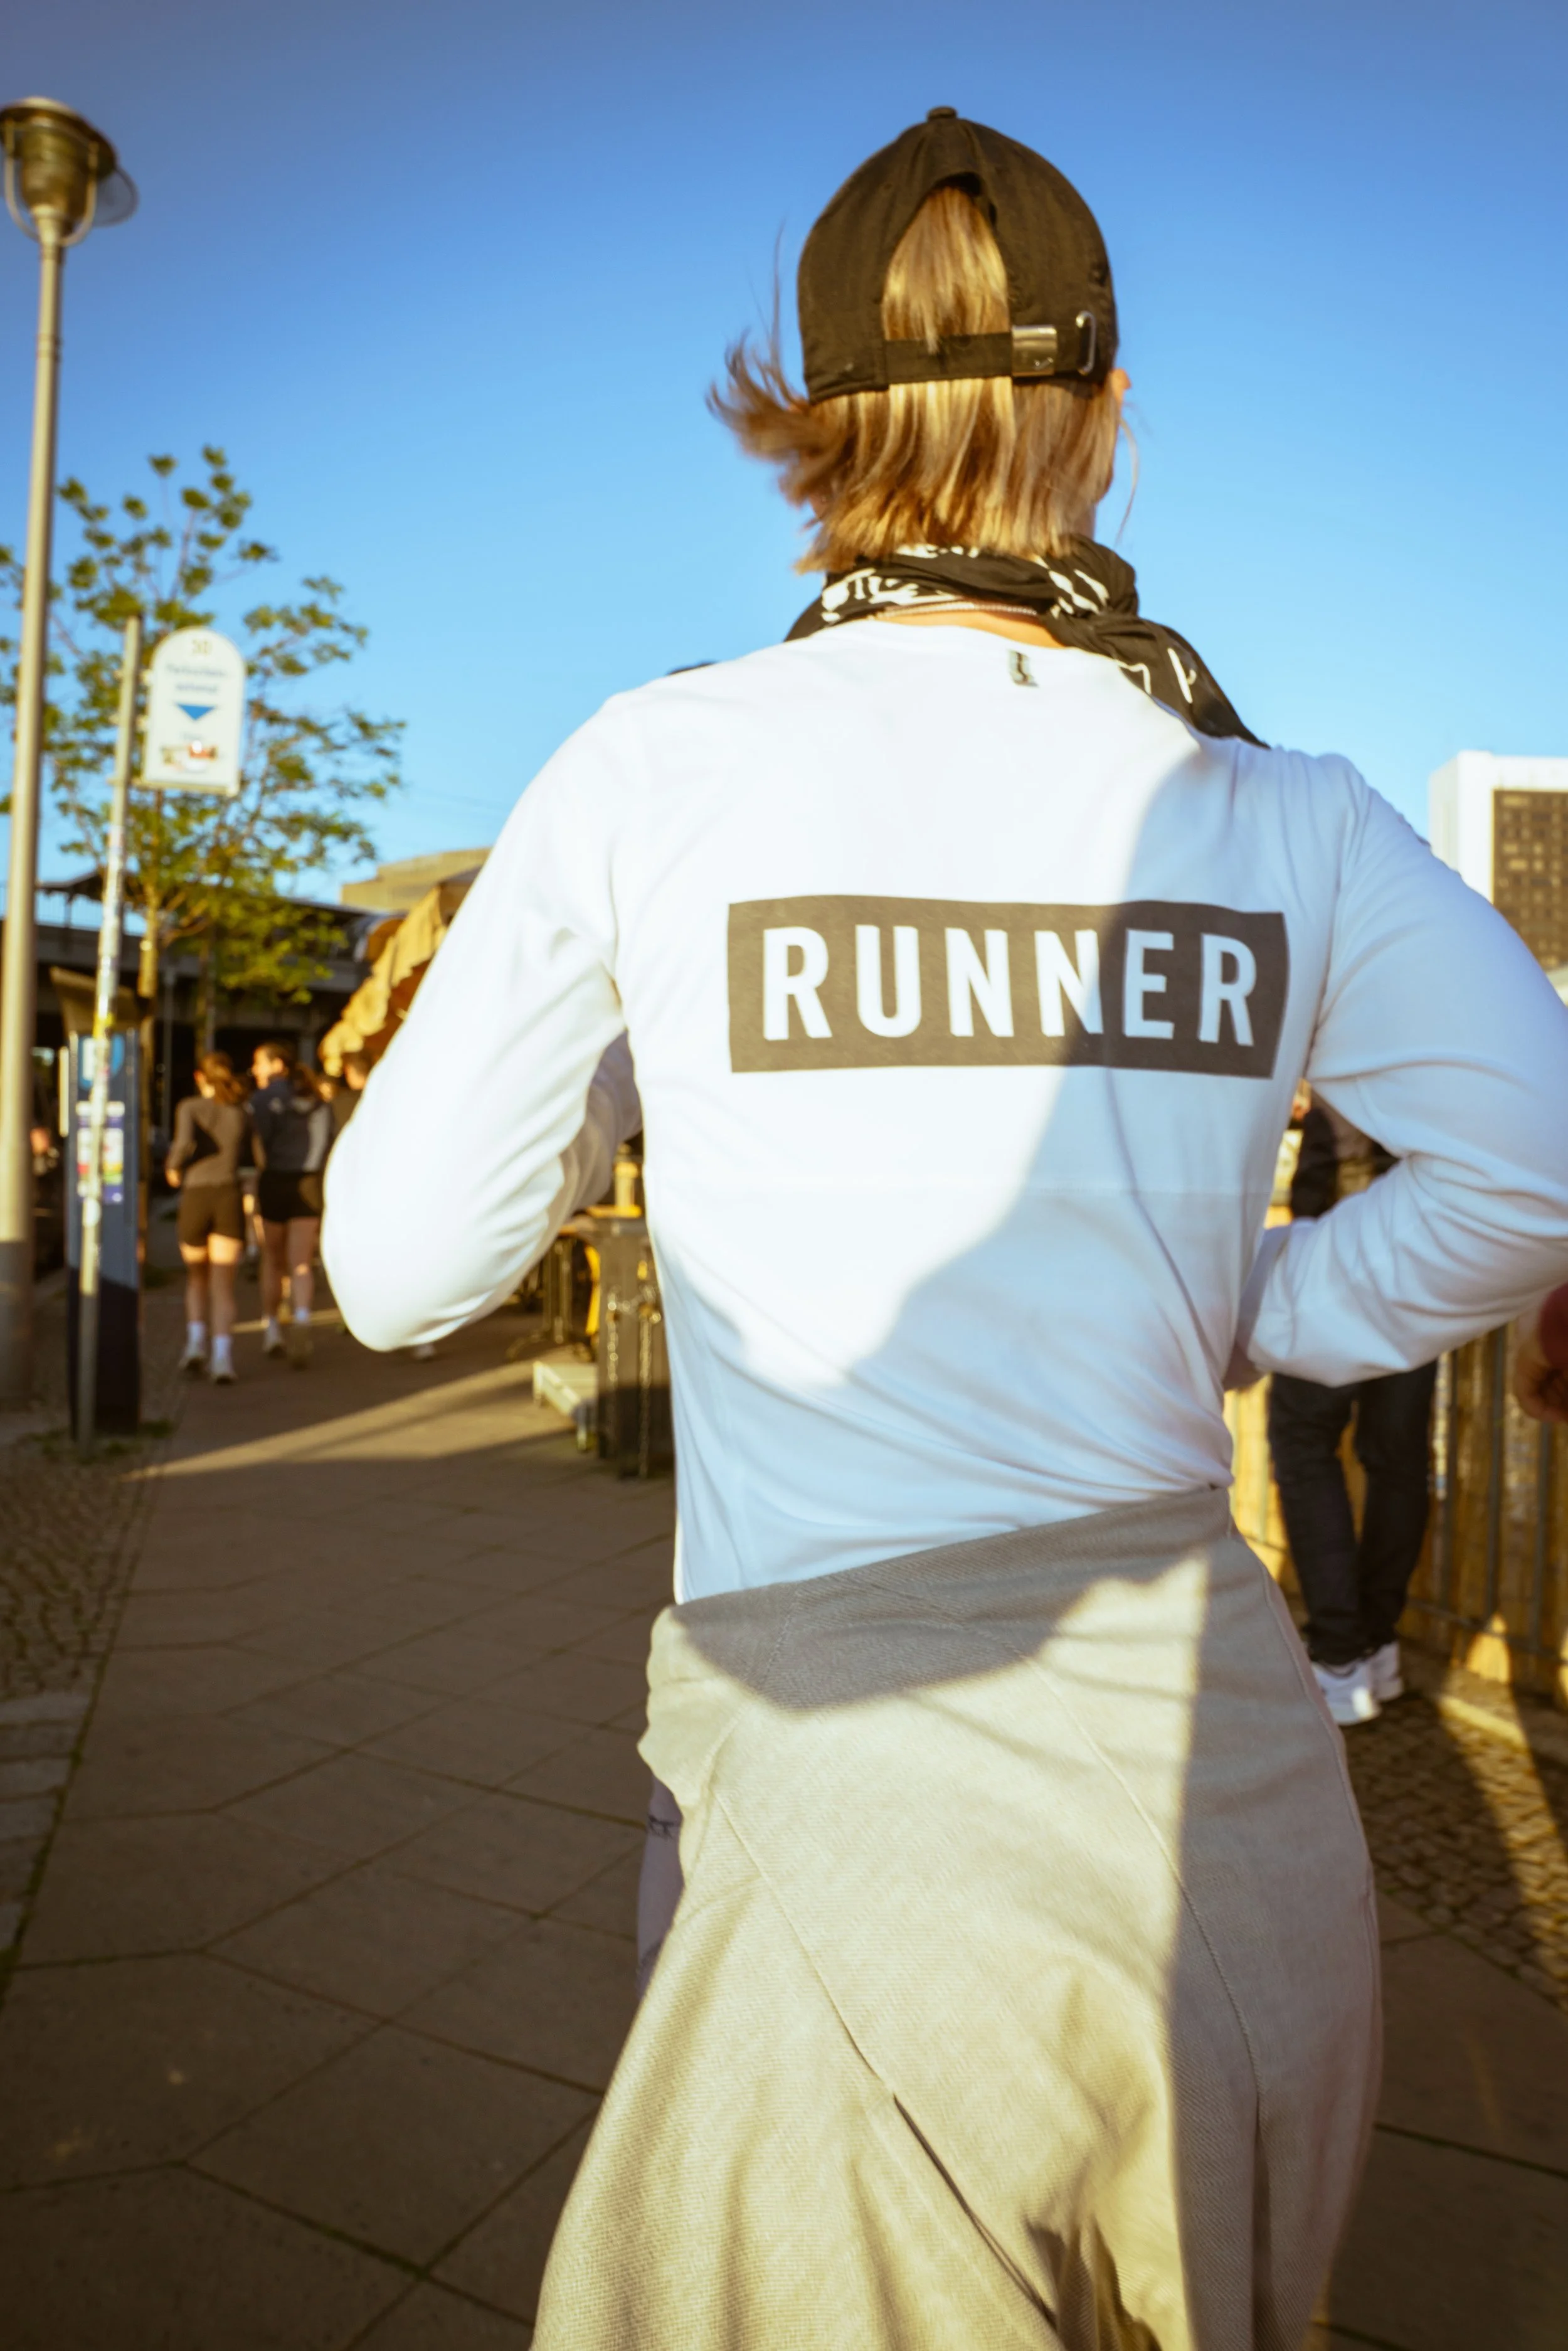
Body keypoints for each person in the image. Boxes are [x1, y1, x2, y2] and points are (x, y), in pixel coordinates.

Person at [324, 112, 1568, 2351]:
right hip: (1234, 1808)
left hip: (856, 1814)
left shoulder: (661, 763)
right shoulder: (1270, 800)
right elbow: (1532, 1164)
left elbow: (400, 1266)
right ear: (1098, 416)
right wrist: (1271, 1300)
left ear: (797, 427)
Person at [1268, 1096, 1435, 1726]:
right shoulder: (1441, 1036)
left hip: (1338, 1258)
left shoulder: (1355, 1029)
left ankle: (1340, 1658)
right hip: (1421, 1267)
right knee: (1397, 1458)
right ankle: (1375, 1645)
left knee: (1303, 1441)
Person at [165, 1050, 249, 1384]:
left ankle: (195, 1344)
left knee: (196, 1278)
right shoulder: (240, 1111)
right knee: (224, 1283)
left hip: (197, 1196)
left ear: (200, 1077)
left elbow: (184, 1143)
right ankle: (222, 1357)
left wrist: (172, 1166)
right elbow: (255, 1154)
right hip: (228, 1194)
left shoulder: (189, 1107)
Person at [250, 1039, 331, 1367]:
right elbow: (330, 1142)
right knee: (301, 1262)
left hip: (276, 1181)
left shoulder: (263, 1100)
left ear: (278, 1065)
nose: (254, 1070)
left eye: (260, 1063)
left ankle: (271, 1327)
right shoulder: (318, 1101)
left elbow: (257, 1144)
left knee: (273, 1259)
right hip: (310, 1182)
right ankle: (301, 1319)